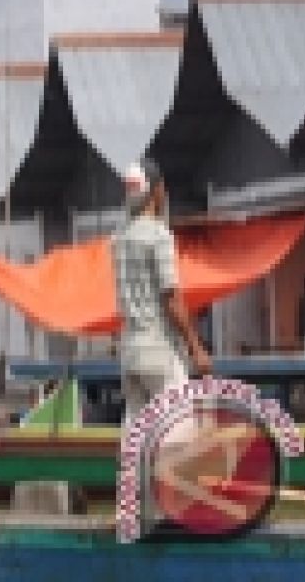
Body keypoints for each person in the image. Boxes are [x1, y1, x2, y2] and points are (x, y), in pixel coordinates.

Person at [111, 158, 213, 427]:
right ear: (157, 190)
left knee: (138, 441)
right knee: (178, 437)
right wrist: (196, 347)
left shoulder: (119, 239)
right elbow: (172, 300)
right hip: (159, 350)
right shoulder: (159, 236)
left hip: (130, 353)